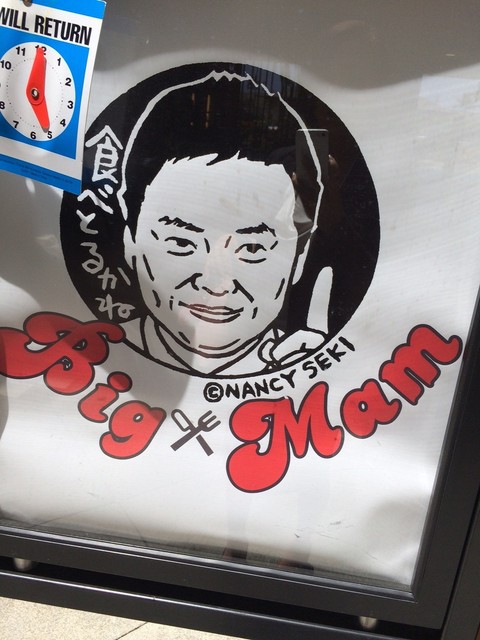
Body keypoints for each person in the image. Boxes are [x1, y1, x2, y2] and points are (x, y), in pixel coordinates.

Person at [117, 67, 329, 375]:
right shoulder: (100, 351)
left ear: (300, 256)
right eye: (181, 243)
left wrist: (308, 380)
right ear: (131, 245)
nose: (216, 283)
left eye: (253, 249)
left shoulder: (304, 373)